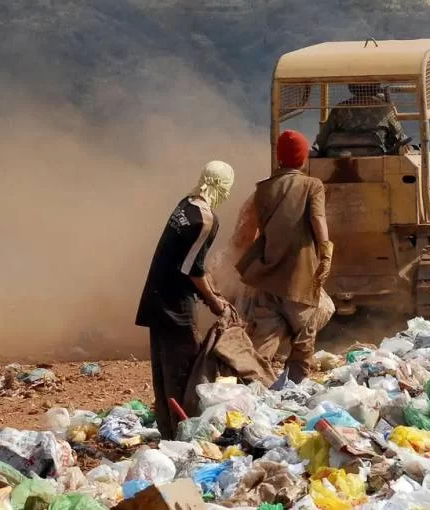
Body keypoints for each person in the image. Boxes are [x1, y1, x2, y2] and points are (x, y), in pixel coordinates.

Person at [135, 160, 234, 439]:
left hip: (156, 297)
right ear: (222, 186)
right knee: (184, 371)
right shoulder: (206, 220)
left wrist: (214, 292)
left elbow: (193, 262)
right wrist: (214, 301)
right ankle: (184, 436)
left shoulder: (185, 205)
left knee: (163, 371)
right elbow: (193, 270)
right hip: (175, 306)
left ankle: (167, 431)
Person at [236, 130, 333, 383]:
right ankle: (296, 385)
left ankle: (252, 384)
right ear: (302, 158)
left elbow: (251, 232)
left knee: (266, 334)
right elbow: (318, 219)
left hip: (267, 274)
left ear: (279, 157)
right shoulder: (312, 185)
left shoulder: (263, 189)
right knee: (305, 332)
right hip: (299, 276)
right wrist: (326, 252)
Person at [314, 83, 408, 156]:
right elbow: (400, 138)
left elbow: (322, 140)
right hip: (378, 159)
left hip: (340, 160)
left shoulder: (339, 109)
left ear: (352, 87)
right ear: (376, 86)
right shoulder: (385, 109)